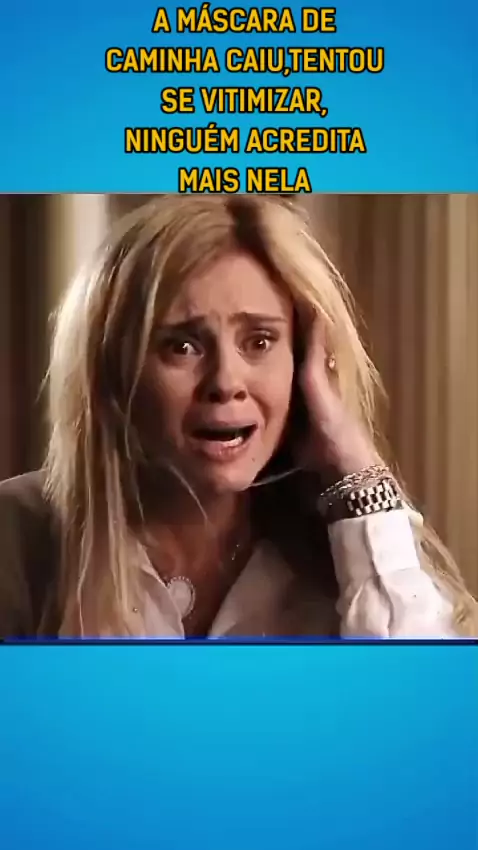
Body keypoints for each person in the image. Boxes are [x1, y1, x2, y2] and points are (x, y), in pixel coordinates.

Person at [0, 195, 476, 639]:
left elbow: (422, 696)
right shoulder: (18, 536)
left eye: (259, 341)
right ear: (113, 369)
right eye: (182, 346)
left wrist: (355, 465)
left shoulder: (337, 555)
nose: (226, 381)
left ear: (304, 361)